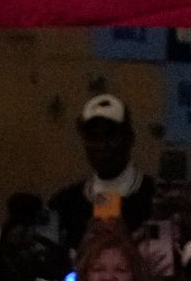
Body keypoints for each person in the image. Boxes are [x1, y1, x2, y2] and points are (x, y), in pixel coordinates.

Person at [44, 100, 145, 244]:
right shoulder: (64, 204)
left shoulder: (155, 198)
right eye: (93, 137)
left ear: (129, 138)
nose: (102, 146)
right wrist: (77, 266)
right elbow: (55, 262)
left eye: (110, 135)